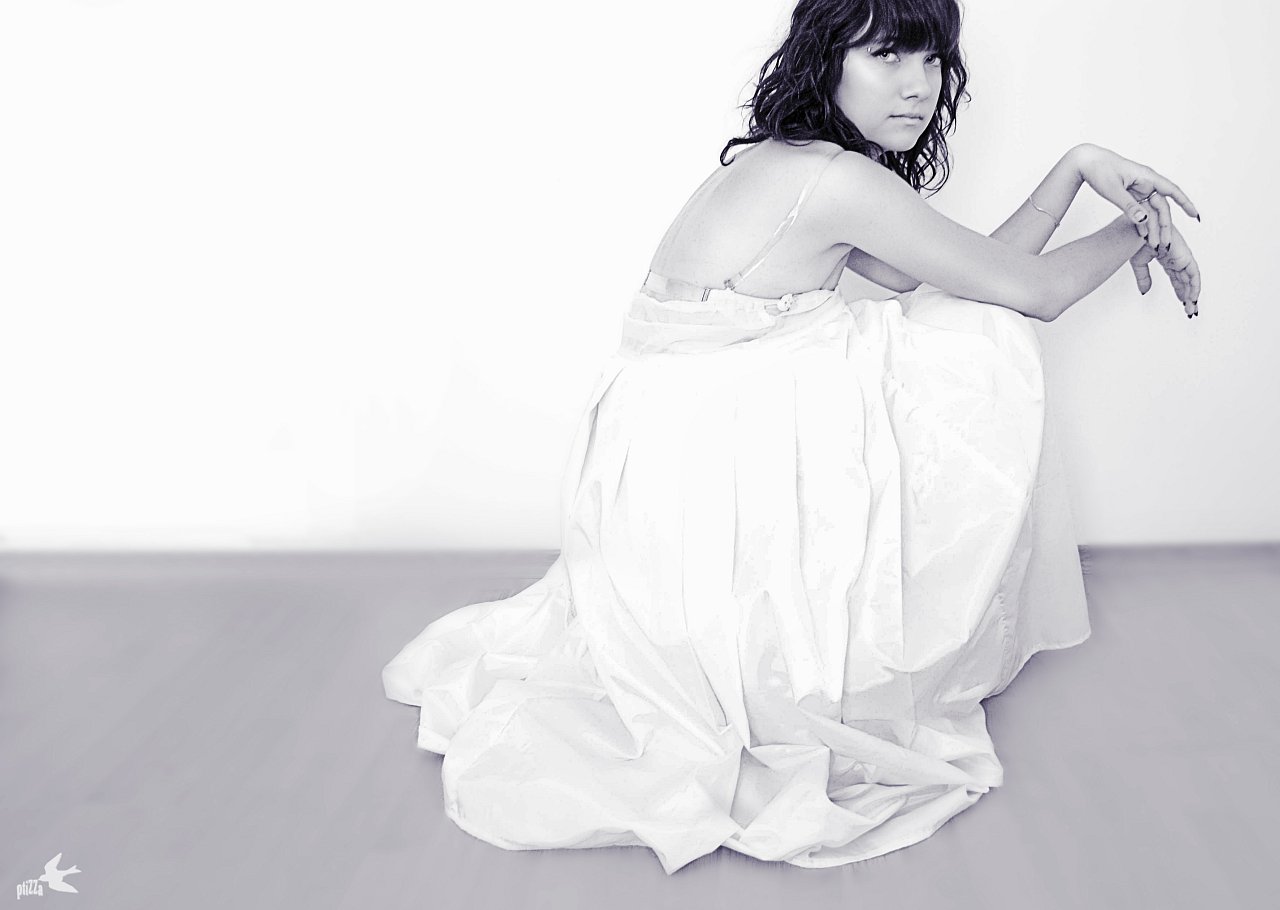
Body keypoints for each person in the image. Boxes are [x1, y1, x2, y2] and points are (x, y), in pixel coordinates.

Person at [382, 0, 1202, 874]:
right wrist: (1139, 229)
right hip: (699, 472)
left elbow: (967, 274)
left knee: (958, 319)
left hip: (660, 471)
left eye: (932, 60)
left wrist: (1073, 171)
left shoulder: (794, 162)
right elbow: (1028, 293)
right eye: (888, 56)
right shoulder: (836, 181)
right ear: (828, 57)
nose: (918, 86)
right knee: (978, 342)